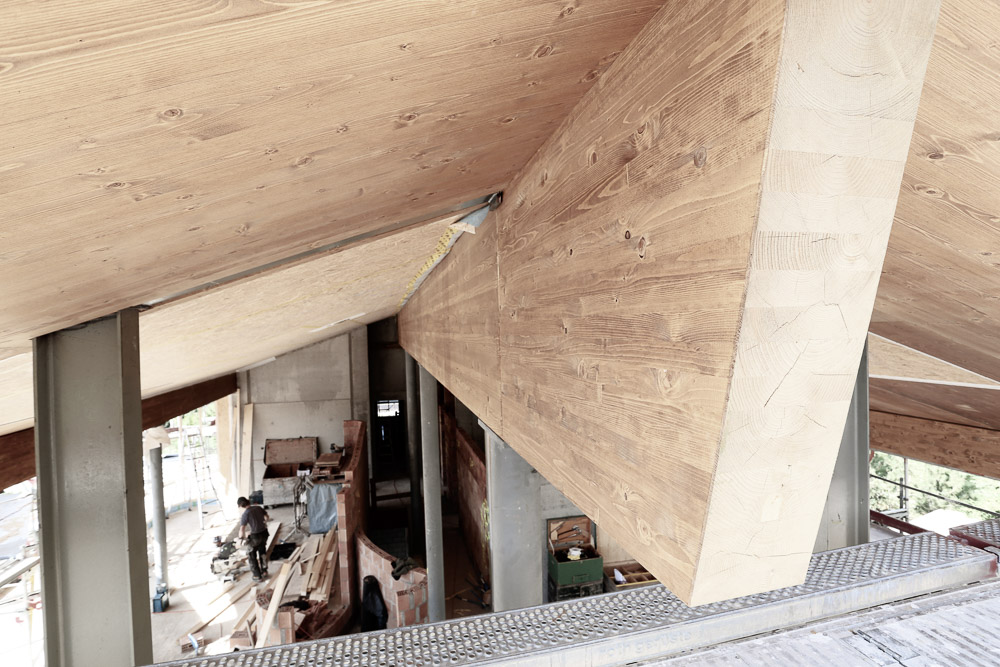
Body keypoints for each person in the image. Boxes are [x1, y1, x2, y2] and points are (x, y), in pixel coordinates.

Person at [237, 497, 270, 580]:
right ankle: (264, 571)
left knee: (251, 555)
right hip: (264, 533)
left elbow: (242, 529)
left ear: (241, 505)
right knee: (262, 552)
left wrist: (240, 538)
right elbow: (267, 517)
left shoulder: (245, 514)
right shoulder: (258, 508)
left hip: (255, 537)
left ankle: (257, 576)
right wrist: (262, 524)